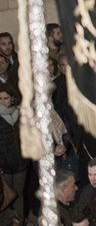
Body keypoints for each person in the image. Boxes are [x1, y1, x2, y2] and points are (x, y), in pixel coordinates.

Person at [0, 84, 28, 221]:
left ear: (12, 98)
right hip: (4, 164)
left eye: (5, 98)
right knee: (7, 196)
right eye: (0, 99)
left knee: (19, 194)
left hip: (20, 162)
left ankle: (19, 221)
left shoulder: (20, 113)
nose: (2, 101)